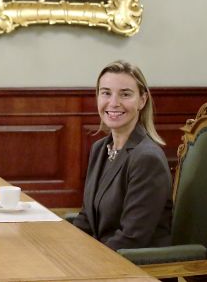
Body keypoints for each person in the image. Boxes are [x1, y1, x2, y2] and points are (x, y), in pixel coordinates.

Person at [73, 60, 173, 251]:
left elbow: (131, 238)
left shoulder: (147, 159)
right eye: (106, 93)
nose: (113, 103)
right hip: (104, 255)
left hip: (134, 264)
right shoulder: (100, 149)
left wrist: (87, 261)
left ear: (142, 100)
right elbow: (87, 218)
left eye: (125, 94)